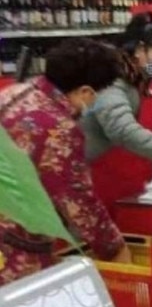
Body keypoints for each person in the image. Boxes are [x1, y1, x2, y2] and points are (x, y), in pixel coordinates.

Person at [0, 39, 131, 286]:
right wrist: (113, 248)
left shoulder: (14, 93)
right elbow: (78, 200)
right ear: (85, 92)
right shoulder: (59, 128)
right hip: (15, 247)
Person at [81, 12, 152, 175]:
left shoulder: (137, 78)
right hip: (98, 170)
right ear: (140, 50)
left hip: (120, 169)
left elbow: (136, 117)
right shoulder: (111, 80)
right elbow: (123, 130)